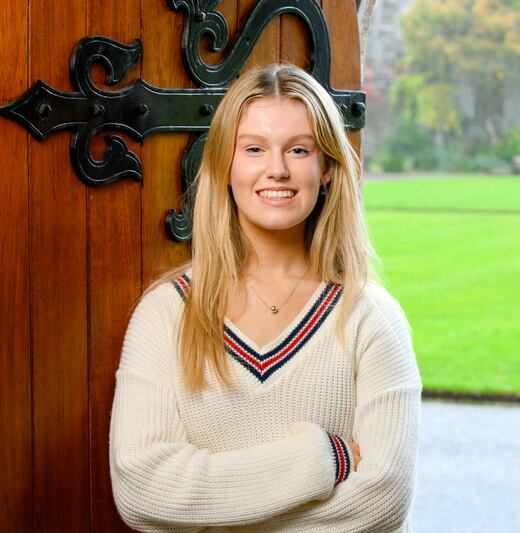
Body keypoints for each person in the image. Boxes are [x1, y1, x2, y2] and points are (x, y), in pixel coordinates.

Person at [109, 63, 422, 532]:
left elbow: (382, 504)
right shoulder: (166, 314)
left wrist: (216, 508)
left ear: (329, 168)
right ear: (223, 165)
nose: (277, 169)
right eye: (254, 148)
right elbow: (142, 490)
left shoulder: (372, 318)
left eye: (299, 149)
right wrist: (324, 459)